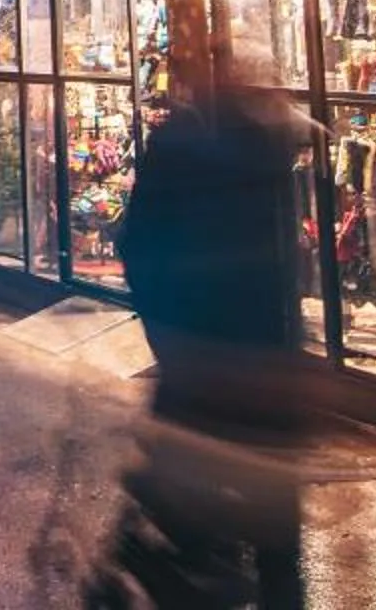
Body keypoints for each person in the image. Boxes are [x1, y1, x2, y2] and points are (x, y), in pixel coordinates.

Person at [87, 71, 312, 610]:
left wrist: (170, 338)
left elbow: (142, 247)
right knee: (268, 536)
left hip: (202, 371)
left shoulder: (185, 145)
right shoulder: (264, 158)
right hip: (257, 380)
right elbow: (281, 274)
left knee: (189, 517)